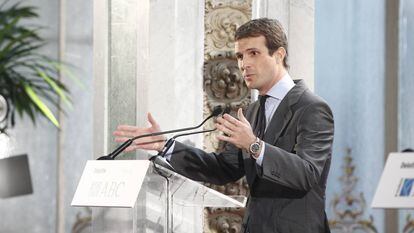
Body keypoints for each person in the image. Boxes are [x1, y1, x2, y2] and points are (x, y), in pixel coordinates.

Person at [114, 18, 334, 233]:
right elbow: (223, 169)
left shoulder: (312, 108)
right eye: (240, 56)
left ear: (279, 55)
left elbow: (308, 174)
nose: (243, 64)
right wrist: (165, 145)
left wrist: (255, 146)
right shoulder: (251, 111)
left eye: (253, 53)